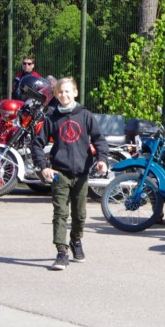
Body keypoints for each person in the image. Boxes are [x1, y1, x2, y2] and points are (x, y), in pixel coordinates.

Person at [31, 77, 109, 271]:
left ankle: (75, 239)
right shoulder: (51, 117)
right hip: (59, 173)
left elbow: (99, 139)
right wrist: (43, 167)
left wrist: (102, 160)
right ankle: (62, 251)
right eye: (60, 92)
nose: (64, 95)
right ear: (56, 95)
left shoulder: (85, 115)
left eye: (67, 91)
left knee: (80, 215)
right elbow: (37, 144)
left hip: (81, 173)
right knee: (60, 213)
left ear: (75, 93)